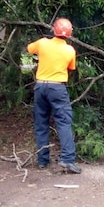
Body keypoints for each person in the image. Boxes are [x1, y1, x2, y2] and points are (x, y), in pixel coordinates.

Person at [26, 17, 81, 173]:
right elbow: (71, 68)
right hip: (57, 88)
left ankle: (43, 161)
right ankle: (67, 159)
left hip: (40, 87)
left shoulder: (43, 43)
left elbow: (29, 49)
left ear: (53, 30)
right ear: (69, 34)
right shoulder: (70, 50)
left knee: (41, 123)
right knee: (63, 122)